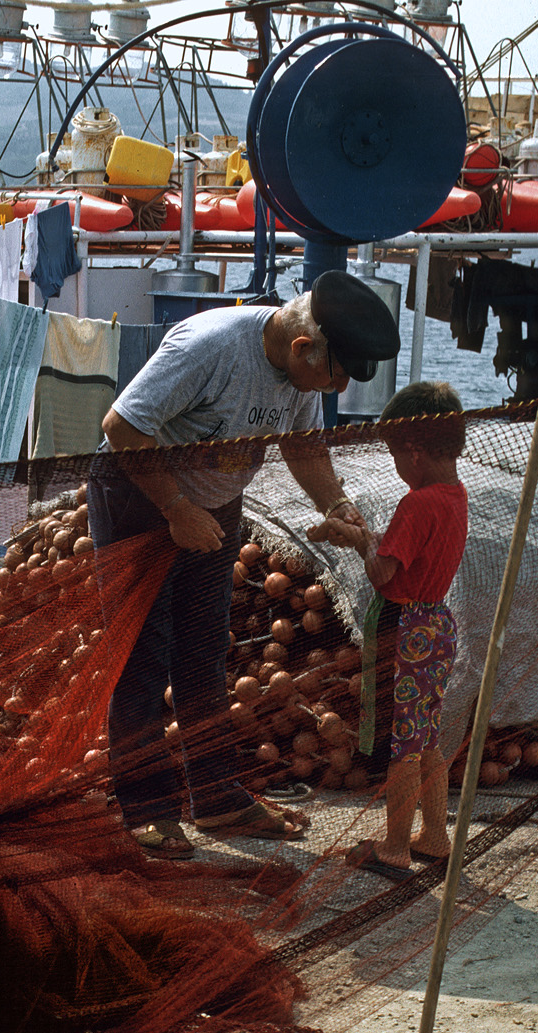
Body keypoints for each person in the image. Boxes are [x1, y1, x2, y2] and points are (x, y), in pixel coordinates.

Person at [87, 270, 400, 859]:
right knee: (142, 657)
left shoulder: (303, 372)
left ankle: (218, 799)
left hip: (216, 503)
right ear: (304, 348)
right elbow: (122, 426)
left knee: (204, 656)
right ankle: (144, 809)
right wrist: (176, 508)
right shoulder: (207, 348)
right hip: (139, 498)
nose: (330, 391)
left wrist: (335, 503)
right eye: (332, 377)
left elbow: (302, 445)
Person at [323, 381, 468, 880]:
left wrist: (361, 544)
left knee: (403, 744)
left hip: (404, 630)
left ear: (414, 451)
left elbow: (383, 573)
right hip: (437, 624)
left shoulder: (418, 502)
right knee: (427, 738)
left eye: (393, 452)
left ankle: (394, 848)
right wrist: (369, 537)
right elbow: (410, 554)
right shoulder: (456, 496)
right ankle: (435, 836)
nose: (395, 465)